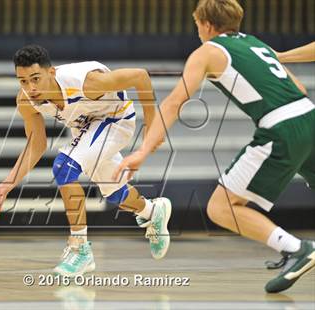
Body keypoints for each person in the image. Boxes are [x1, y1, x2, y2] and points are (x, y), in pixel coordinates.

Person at [114, 0, 314, 293]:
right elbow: (299, 89)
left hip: (282, 128)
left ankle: (297, 249)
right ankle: (294, 250)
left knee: (222, 207)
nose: (197, 32)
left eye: (197, 26)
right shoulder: (254, 43)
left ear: (206, 24)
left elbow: (174, 103)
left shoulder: (207, 51)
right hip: (309, 115)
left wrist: (143, 151)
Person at [0, 44, 171, 277]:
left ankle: (80, 249)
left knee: (64, 167)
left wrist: (152, 125)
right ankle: (152, 211)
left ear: (51, 72)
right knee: (115, 193)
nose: (30, 87)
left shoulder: (87, 82)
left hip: (115, 120)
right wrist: (6, 185)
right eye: (23, 81)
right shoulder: (26, 101)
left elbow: (140, 76)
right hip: (85, 128)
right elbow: (37, 144)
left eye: (35, 78)